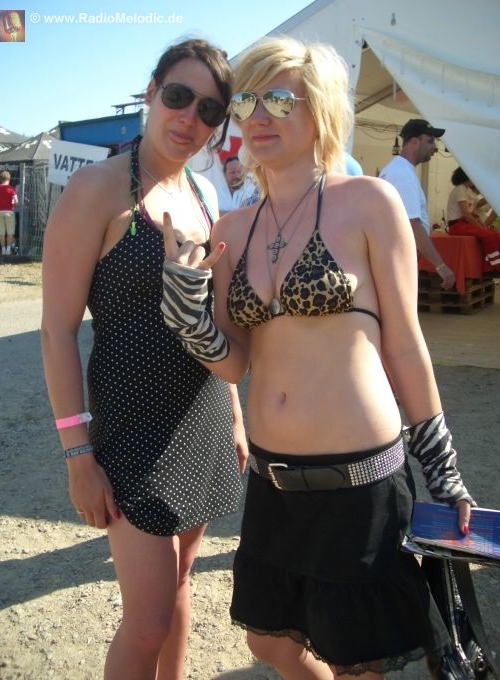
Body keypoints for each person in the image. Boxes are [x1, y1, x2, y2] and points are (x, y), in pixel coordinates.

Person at [159, 36, 474, 679]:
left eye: (280, 100)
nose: (259, 116)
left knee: (358, 658)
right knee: (269, 641)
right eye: (247, 101)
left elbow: (405, 343)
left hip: (361, 482)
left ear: (322, 109)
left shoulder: (369, 202)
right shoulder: (232, 229)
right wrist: (187, 309)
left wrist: (443, 470)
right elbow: (233, 363)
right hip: (273, 483)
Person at [41, 39, 247, 680]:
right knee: (147, 620)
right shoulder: (97, 189)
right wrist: (77, 454)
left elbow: (214, 323)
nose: (190, 118)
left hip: (203, 420)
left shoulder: (205, 195)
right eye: (179, 97)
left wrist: (235, 414)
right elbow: (56, 331)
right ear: (152, 91)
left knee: (180, 584)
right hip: (131, 433)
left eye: (209, 110)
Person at [380, 119, 456, 290]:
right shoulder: (402, 174)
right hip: (397, 258)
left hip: (395, 257)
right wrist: (441, 266)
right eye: (430, 141)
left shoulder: (401, 171)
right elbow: (412, 225)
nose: (434, 147)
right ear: (414, 142)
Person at [446, 167, 500, 270]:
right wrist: (480, 227)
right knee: (488, 235)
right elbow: (466, 214)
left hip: (465, 224)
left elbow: (477, 204)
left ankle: (490, 264)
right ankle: (494, 265)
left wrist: (493, 195)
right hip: (457, 225)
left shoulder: (468, 191)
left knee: (496, 235)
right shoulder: (459, 189)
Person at [0, 170, 18, 255]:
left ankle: (3, 249)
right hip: (9, 212)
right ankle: (8, 249)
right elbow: (16, 202)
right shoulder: (11, 189)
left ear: (0, 179)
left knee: (1, 232)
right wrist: (13, 205)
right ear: (9, 179)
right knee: (10, 231)